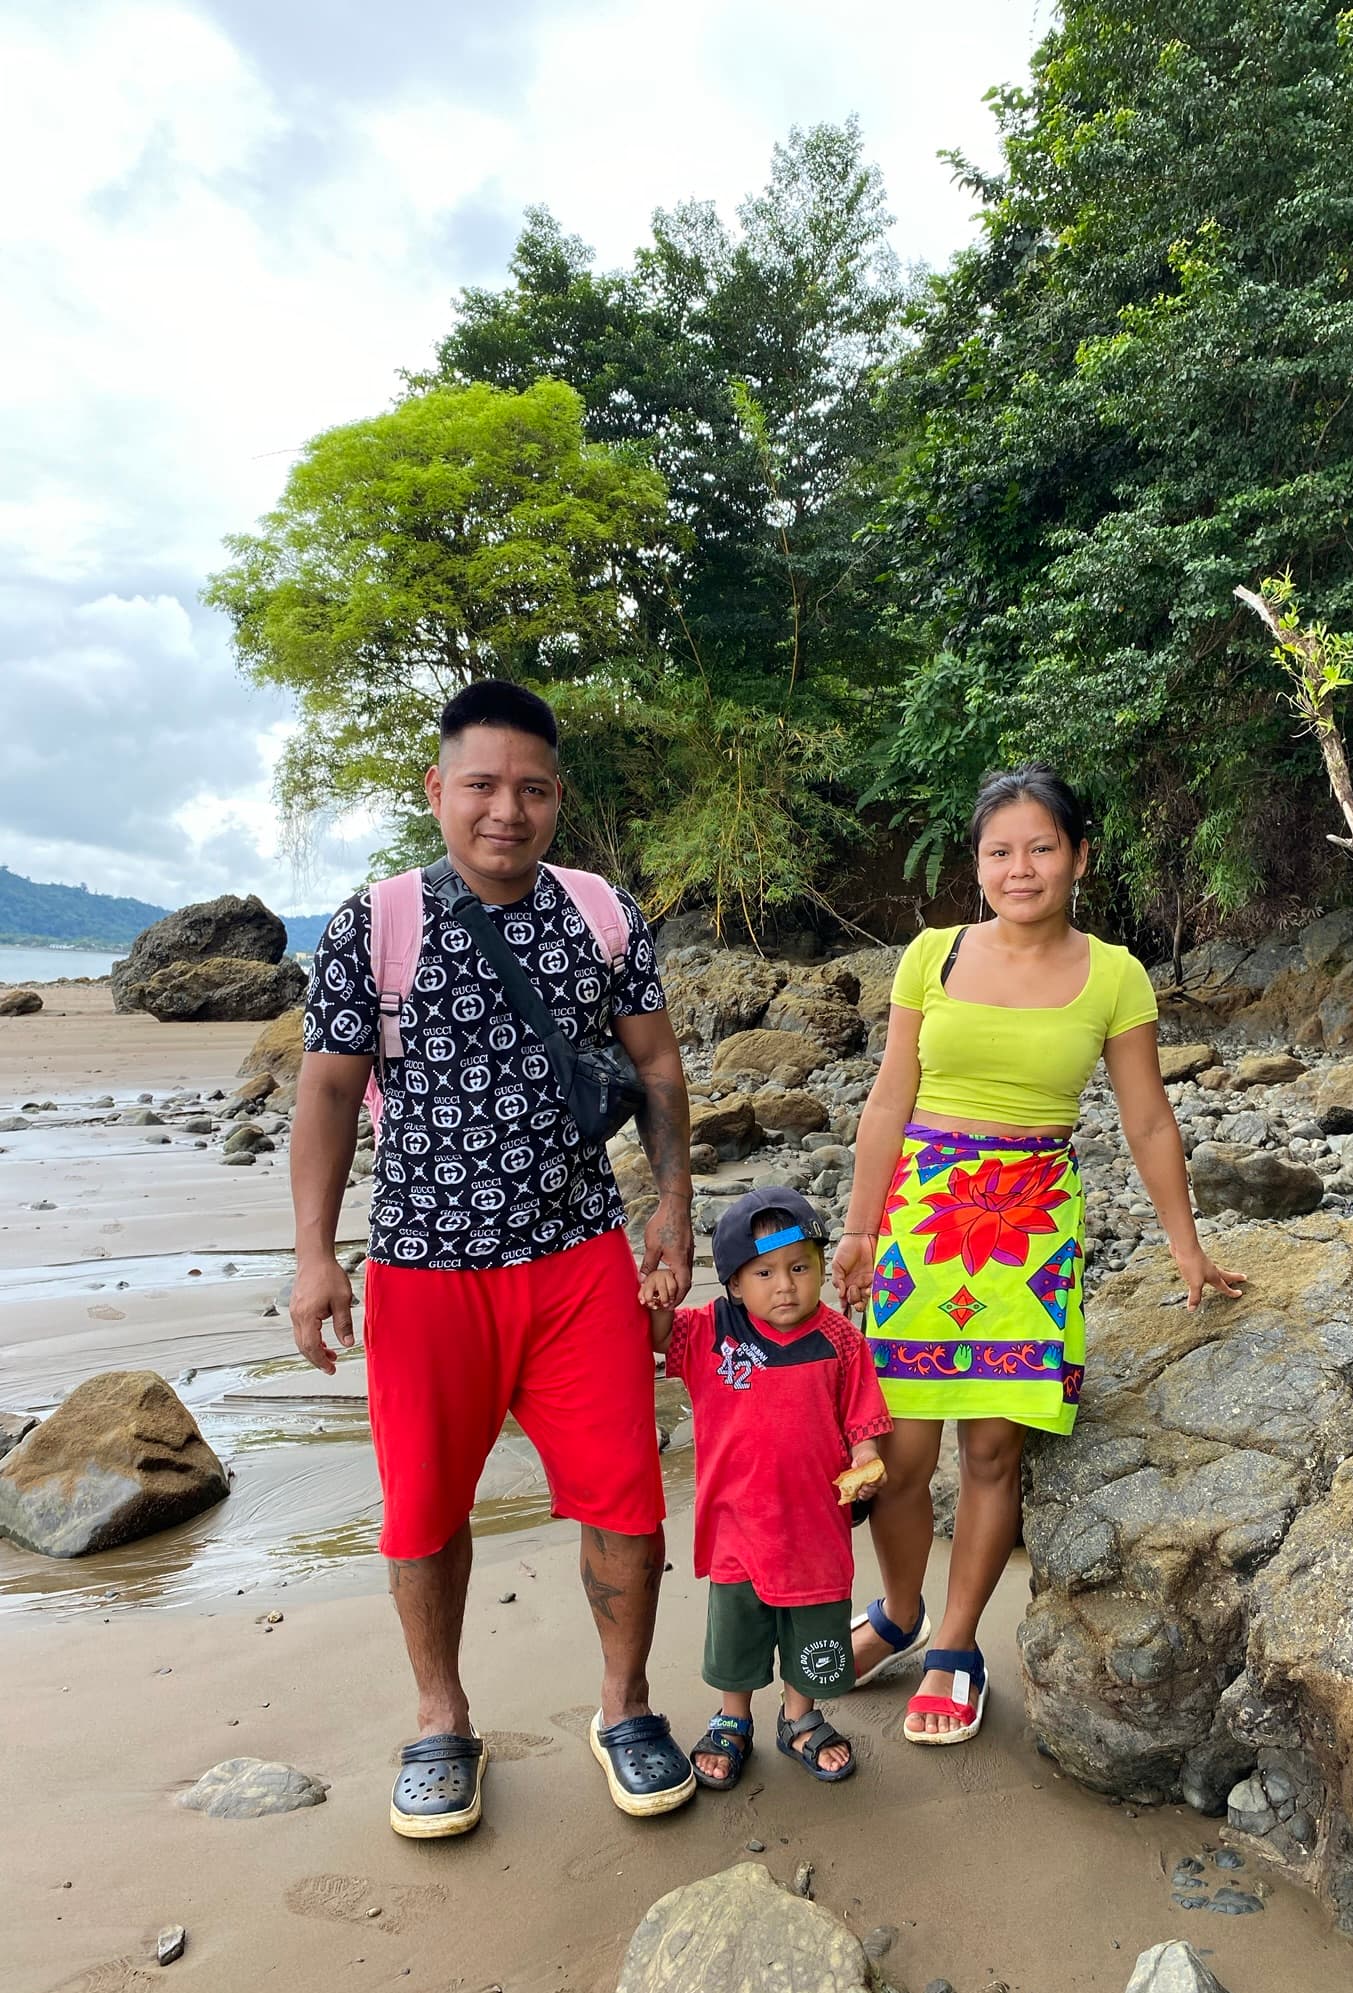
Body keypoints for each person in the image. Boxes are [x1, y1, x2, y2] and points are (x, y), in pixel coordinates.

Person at [290, 678, 697, 1836]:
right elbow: (324, 1092)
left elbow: (657, 1066)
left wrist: (670, 1204)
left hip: (576, 1261)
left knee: (624, 1499)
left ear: (557, 797)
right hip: (423, 1267)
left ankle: (624, 1705)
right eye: (481, 785)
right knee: (422, 1510)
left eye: (530, 788)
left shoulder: (604, 914)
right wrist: (317, 1257)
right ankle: (440, 1718)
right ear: (438, 790)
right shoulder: (375, 922)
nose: (504, 809)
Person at [832, 765, 1244, 1746]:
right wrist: (856, 1224)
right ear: (976, 863)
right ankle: (898, 1611)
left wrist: (1185, 1245)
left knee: (990, 1448)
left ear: (1079, 855)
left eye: (1041, 847)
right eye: (999, 851)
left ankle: (957, 1642)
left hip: (1028, 1227)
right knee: (896, 1453)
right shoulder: (931, 956)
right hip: (921, 1224)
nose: (1021, 869)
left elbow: (1146, 1117)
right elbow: (888, 1098)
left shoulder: (1113, 974)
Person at [641, 1189, 892, 1788]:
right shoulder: (711, 1332)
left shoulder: (840, 1339)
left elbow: (864, 1422)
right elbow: (656, 1335)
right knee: (738, 1631)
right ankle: (733, 1718)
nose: (785, 1286)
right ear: (732, 1283)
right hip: (737, 1524)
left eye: (800, 1267)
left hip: (813, 1526)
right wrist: (653, 1293)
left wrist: (866, 1458)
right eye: (764, 1272)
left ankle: (801, 1718)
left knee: (813, 1630)